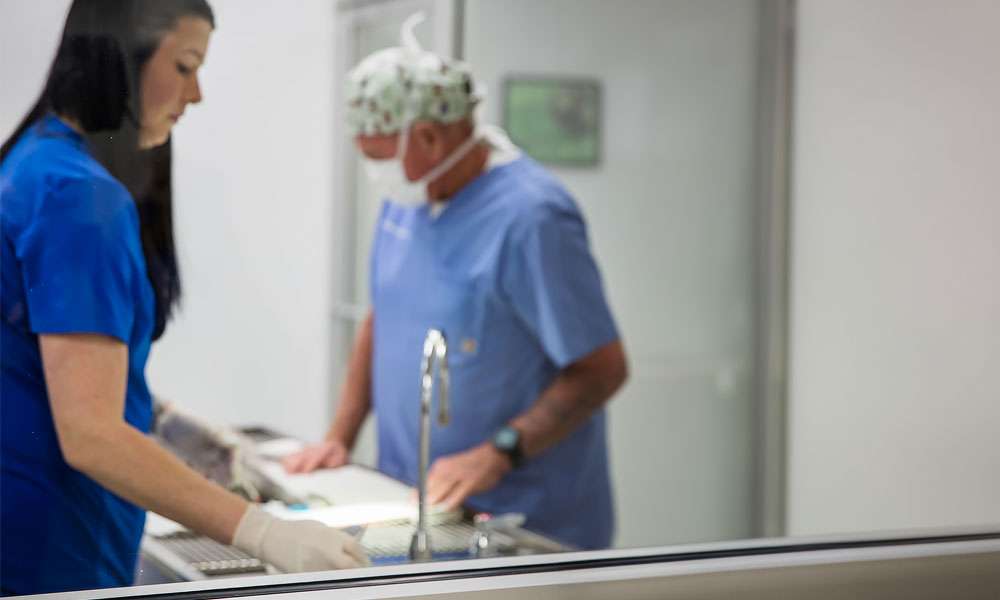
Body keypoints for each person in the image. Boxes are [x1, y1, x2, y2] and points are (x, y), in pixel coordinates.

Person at [0, 2, 365, 594]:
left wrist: (162, 420)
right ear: (120, 58)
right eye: (186, 66)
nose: (195, 95)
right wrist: (262, 532)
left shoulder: (37, 160)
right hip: (51, 548)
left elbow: (41, 365)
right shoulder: (78, 196)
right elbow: (90, 433)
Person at [284, 28, 628, 550]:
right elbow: (384, 314)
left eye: (378, 156)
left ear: (428, 136)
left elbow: (602, 369)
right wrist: (339, 437)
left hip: (522, 525)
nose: (375, 172)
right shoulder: (408, 199)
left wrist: (496, 452)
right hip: (413, 508)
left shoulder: (532, 219)